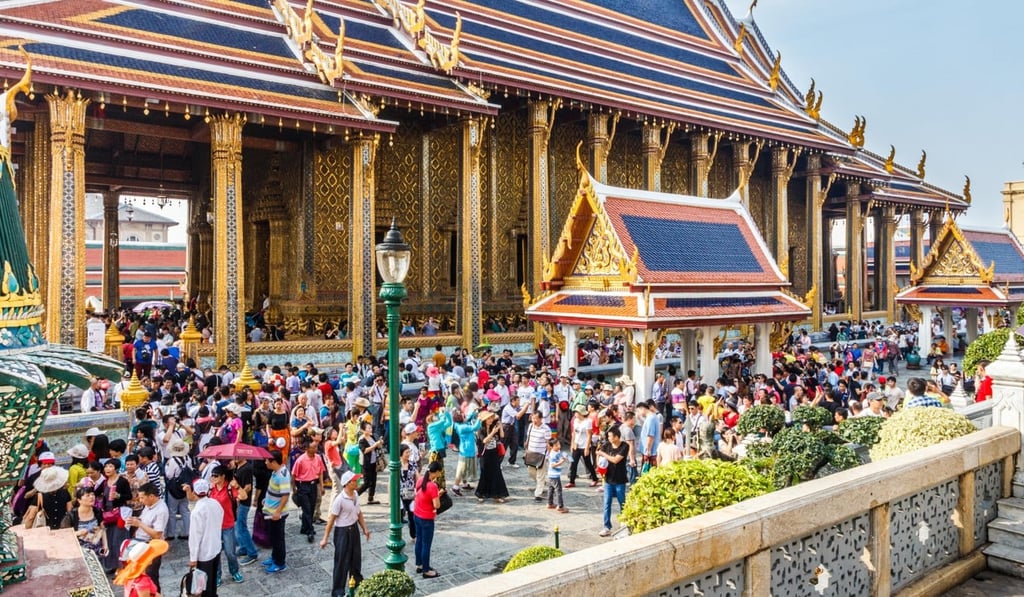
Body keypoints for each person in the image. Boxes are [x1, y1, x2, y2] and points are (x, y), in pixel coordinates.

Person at [320, 471, 371, 596]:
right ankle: (338, 590)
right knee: (342, 561)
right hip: (342, 532)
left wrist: (364, 528)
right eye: (354, 481)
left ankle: (357, 581)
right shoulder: (339, 500)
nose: (357, 482)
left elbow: (359, 513)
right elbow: (331, 520)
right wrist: (325, 538)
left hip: (354, 529)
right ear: (347, 484)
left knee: (356, 558)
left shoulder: (355, 495)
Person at [126, 482, 168, 593]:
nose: (140, 500)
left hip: (151, 546)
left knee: (151, 577)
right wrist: (137, 521)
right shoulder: (148, 506)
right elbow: (146, 522)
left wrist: (139, 524)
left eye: (142, 498)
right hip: (141, 543)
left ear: (151, 496)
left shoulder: (161, 510)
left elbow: (157, 534)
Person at [187, 478, 225, 597]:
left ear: (194, 493)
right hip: (215, 547)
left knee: (203, 585)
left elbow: (194, 537)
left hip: (204, 553)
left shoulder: (197, 511)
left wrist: (193, 558)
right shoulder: (215, 503)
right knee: (212, 579)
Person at [596, 426, 630, 537]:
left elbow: (616, 460)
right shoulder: (606, 445)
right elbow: (598, 454)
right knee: (606, 503)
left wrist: (603, 455)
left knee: (622, 502)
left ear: (616, 437)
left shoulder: (624, 446)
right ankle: (607, 527)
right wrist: (600, 463)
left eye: (610, 436)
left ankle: (624, 522)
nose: (608, 438)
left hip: (620, 479)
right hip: (608, 479)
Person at [413, 461, 444, 579]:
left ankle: (420, 564)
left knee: (419, 541)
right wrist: (439, 495)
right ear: (435, 472)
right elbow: (436, 505)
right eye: (439, 472)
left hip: (417, 514)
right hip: (427, 518)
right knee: (426, 544)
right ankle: (426, 570)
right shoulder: (433, 486)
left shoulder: (421, 480)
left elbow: (422, 495)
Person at [291, 439, 325, 543]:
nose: (315, 449)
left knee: (311, 506)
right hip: (303, 485)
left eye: (316, 447)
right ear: (307, 448)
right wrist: (294, 488)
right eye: (313, 447)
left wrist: (322, 486)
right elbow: (294, 474)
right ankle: (310, 530)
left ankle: (304, 527)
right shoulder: (300, 460)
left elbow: (320, 472)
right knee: (306, 509)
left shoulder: (318, 458)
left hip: (313, 485)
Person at [61, 483, 108, 557]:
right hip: (78, 553)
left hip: (96, 550)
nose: (92, 497)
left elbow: (102, 529)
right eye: (88, 495)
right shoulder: (71, 516)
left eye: (93, 494)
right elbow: (64, 535)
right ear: (79, 500)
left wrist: (105, 545)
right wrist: (78, 533)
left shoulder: (97, 511)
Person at [262, 450, 290, 573]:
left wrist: (278, 512)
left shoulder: (281, 476)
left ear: (273, 461)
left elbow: (285, 495)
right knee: (273, 537)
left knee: (278, 538)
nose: (265, 462)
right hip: (270, 510)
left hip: (276, 514)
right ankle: (274, 557)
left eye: (267, 460)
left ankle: (280, 562)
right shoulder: (275, 472)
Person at [474, 410, 509, 502]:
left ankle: (497, 494)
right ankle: (481, 494)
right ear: (484, 420)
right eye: (488, 418)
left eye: (491, 418)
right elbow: (484, 440)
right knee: (484, 473)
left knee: (496, 473)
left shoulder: (494, 426)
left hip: (494, 453)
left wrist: (500, 427)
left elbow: (502, 435)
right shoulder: (481, 429)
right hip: (485, 454)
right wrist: (493, 433)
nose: (490, 420)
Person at [231, 456, 259, 566]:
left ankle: (252, 553)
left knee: (241, 527)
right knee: (239, 526)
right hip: (239, 500)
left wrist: (239, 495)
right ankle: (243, 547)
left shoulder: (247, 468)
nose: (236, 458)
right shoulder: (238, 466)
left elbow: (248, 487)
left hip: (243, 502)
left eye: (238, 456)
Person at [450, 410, 480, 497]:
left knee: (464, 469)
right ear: (460, 419)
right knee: (461, 470)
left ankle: (465, 484)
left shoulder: (458, 425)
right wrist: (479, 418)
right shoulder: (462, 427)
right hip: (466, 451)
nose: (465, 417)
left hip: (465, 449)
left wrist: (473, 412)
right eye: (463, 416)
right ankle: (455, 487)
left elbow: (467, 419)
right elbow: (475, 427)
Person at [567, 406, 597, 488]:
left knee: (588, 463)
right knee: (573, 463)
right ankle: (572, 481)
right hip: (577, 444)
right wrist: (572, 444)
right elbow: (573, 433)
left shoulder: (587, 422)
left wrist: (587, 448)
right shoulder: (576, 421)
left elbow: (589, 435)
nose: (575, 414)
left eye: (577, 412)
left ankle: (595, 478)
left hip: (584, 445)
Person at [524, 410, 551, 501]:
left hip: (541, 455)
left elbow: (549, 443)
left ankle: (538, 493)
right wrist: (526, 449)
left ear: (541, 419)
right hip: (531, 454)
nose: (534, 420)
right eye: (533, 418)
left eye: (536, 418)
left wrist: (547, 456)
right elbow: (528, 438)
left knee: (540, 474)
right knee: (531, 472)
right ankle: (542, 483)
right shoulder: (531, 426)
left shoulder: (546, 429)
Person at [357, 422, 383, 504]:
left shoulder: (372, 437)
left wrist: (380, 443)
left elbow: (378, 447)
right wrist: (375, 445)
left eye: (370, 427)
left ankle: (371, 498)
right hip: (366, 463)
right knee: (366, 482)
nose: (370, 429)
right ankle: (355, 495)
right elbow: (365, 450)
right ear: (363, 430)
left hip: (373, 462)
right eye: (368, 428)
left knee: (374, 481)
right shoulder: (361, 439)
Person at [398, 444, 417, 540]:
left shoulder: (412, 464)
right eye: (406, 452)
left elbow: (417, 477)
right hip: (399, 492)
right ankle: (398, 536)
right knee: (399, 515)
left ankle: (413, 534)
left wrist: (417, 490)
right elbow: (391, 481)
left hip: (410, 492)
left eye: (409, 452)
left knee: (411, 514)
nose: (408, 454)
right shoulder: (396, 465)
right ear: (401, 454)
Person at [545, 438, 569, 513]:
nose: (558, 446)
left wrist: (563, 457)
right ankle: (560, 506)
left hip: (552, 474)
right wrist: (561, 462)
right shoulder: (552, 454)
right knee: (558, 490)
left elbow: (559, 456)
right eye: (556, 445)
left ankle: (550, 503)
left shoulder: (556, 451)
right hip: (554, 475)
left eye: (559, 444)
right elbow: (553, 465)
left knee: (551, 488)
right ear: (551, 447)